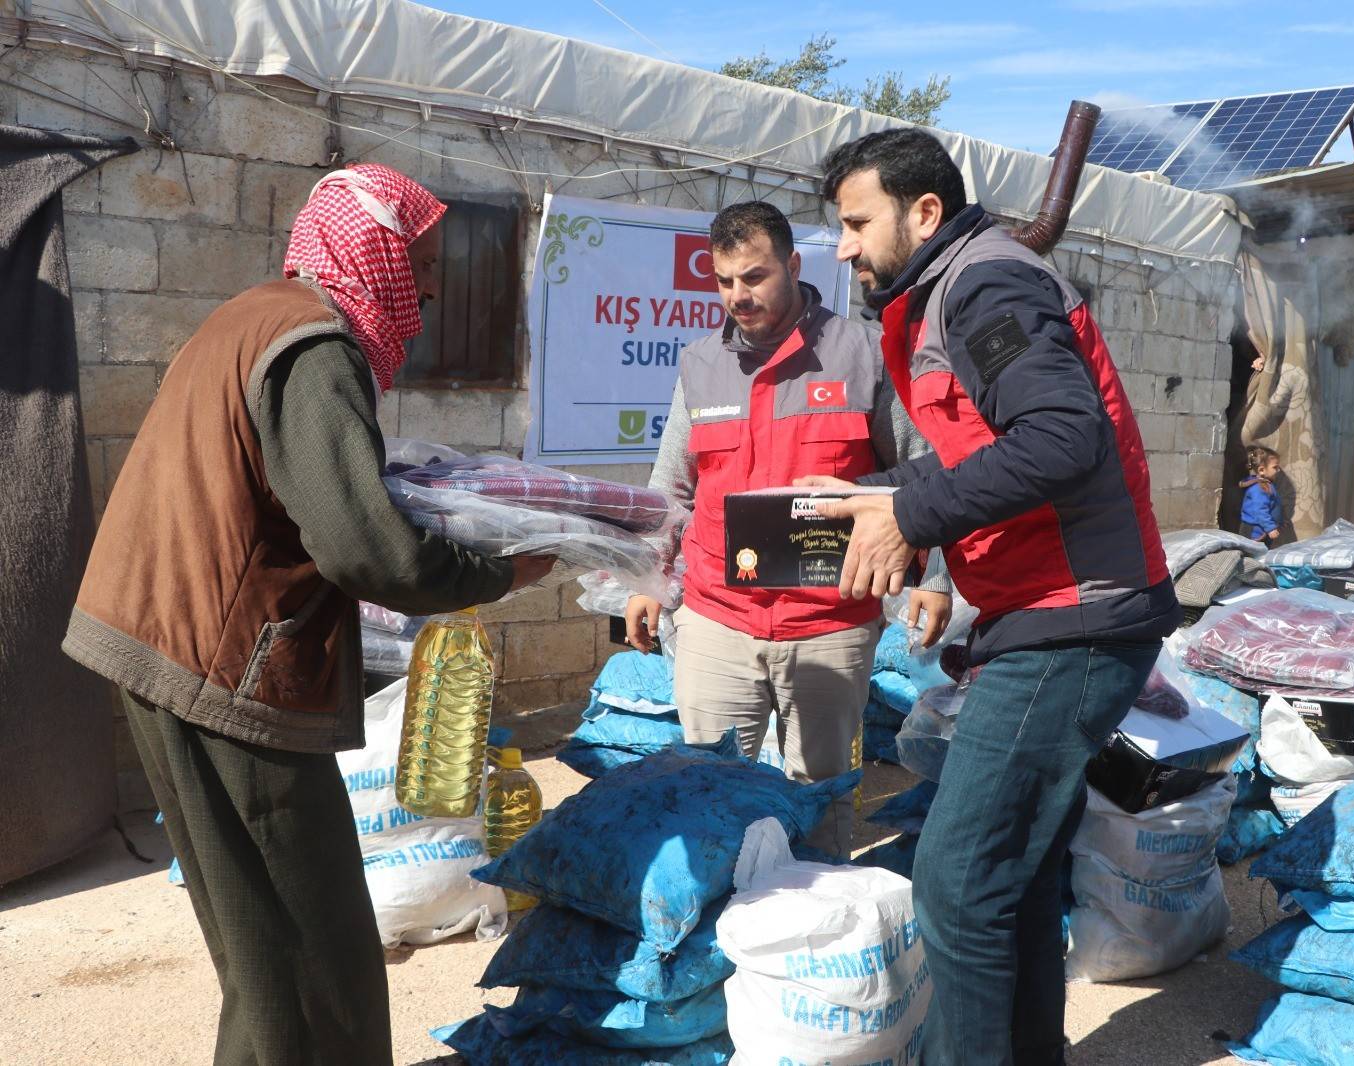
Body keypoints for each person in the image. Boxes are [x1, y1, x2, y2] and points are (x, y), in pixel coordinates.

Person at [61, 164, 552, 1066]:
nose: (433, 284)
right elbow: (369, 551)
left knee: (259, 941)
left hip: (163, 641)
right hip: (221, 663)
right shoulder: (315, 346)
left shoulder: (255, 314)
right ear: (370, 251)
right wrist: (501, 568)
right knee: (313, 952)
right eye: (420, 259)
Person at [810, 129, 1178, 1065]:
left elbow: (1061, 438)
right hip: (1047, 613)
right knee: (1010, 879)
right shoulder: (954, 288)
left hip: (1074, 617)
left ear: (923, 211)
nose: (843, 245)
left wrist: (914, 513)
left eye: (856, 222)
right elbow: (991, 447)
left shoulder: (985, 285)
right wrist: (907, 519)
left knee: (959, 876)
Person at [623, 201, 952, 855]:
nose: (738, 296)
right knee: (712, 793)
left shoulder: (860, 355)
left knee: (822, 797)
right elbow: (670, 491)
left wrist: (936, 576)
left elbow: (927, 474)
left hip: (830, 624)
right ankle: (720, 934)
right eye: (724, 282)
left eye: (754, 277)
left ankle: (814, 929)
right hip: (718, 617)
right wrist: (647, 581)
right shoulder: (699, 365)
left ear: (794, 267)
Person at [1239, 444, 1284, 542]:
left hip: (1262, 528)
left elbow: (1271, 504)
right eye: (1275, 467)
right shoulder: (1258, 489)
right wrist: (1270, 528)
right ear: (1262, 470)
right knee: (1252, 553)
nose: (1278, 470)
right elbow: (1260, 510)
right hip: (1255, 531)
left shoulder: (1266, 484)